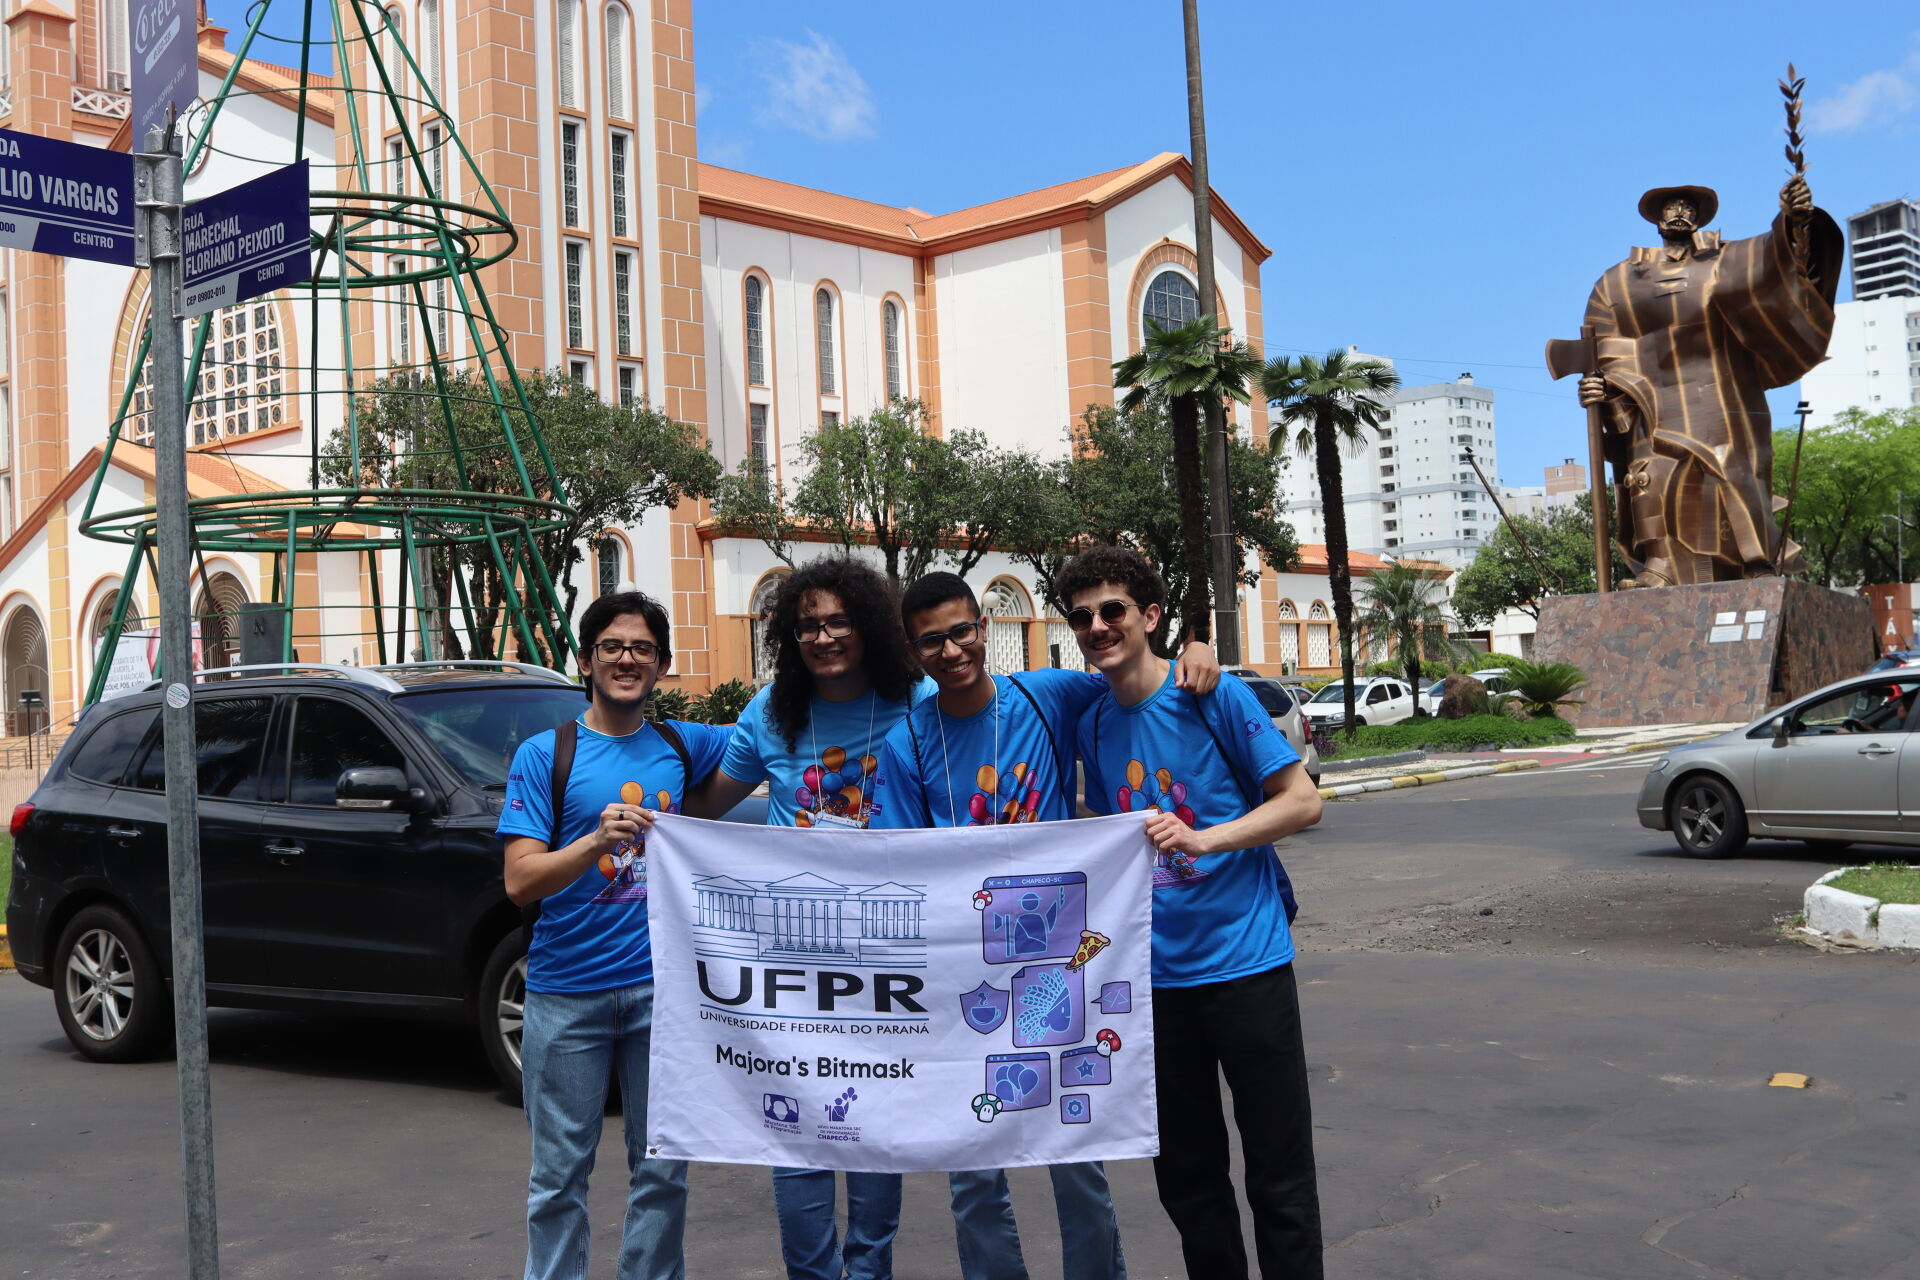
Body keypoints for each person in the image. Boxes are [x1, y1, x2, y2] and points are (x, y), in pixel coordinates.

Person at [868, 570, 1218, 1280]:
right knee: (972, 1163)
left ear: (984, 629)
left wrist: (1195, 647)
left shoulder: (1045, 693)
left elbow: (1135, 680)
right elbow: (895, 864)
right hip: (964, 982)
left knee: (1074, 1155)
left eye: (962, 632)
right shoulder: (908, 743)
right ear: (914, 652)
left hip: (1060, 969)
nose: (951, 650)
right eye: (931, 641)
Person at [1058, 546, 1324, 1280]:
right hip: (1154, 987)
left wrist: (1204, 838)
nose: (1098, 627)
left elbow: (1303, 802)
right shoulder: (1092, 726)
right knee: (1189, 1183)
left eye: (1113, 611)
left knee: (1280, 1175)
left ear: (1149, 617)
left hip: (1248, 967)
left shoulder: (1213, 695)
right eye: (1082, 617)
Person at [685, 557, 931, 1280]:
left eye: (837, 622)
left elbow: (1003, 707)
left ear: (869, 627)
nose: (822, 637)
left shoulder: (917, 700)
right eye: (806, 627)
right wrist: (651, 825)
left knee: (876, 1123)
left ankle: (870, 1270)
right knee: (794, 1129)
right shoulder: (770, 713)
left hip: (890, 957)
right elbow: (705, 807)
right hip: (793, 964)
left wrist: (1193, 648)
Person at [497, 590, 730, 1280]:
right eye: (612, 647)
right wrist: (594, 839)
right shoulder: (547, 755)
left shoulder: (686, 745)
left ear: (661, 664)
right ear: (587, 659)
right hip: (567, 997)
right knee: (559, 1178)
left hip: (664, 998)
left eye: (642, 649)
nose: (627, 659)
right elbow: (520, 880)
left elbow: (770, 738)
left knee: (662, 1169)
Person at [1572, 176, 1842, 587]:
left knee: (1734, 470)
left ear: (1698, 217)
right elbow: (1598, 345)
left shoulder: (1727, 260)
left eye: (1687, 206)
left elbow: (1777, 263)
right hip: (1650, 400)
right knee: (1650, 475)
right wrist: (1601, 388)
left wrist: (1792, 220)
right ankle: (1659, 564)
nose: (1679, 211)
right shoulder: (1619, 281)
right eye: (1671, 205)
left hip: (1725, 394)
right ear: (1656, 218)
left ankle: (1755, 563)